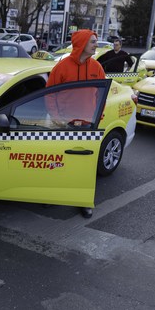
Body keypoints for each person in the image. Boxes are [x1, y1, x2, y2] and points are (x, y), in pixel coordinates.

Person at [45, 29, 106, 219]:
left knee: (85, 167)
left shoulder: (97, 67)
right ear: (81, 44)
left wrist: (98, 117)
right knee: (56, 162)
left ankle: (84, 202)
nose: (96, 45)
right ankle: (49, 195)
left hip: (87, 125)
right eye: (93, 42)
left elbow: (101, 95)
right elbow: (50, 94)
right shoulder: (61, 67)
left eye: (96, 42)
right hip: (62, 124)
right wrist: (56, 118)